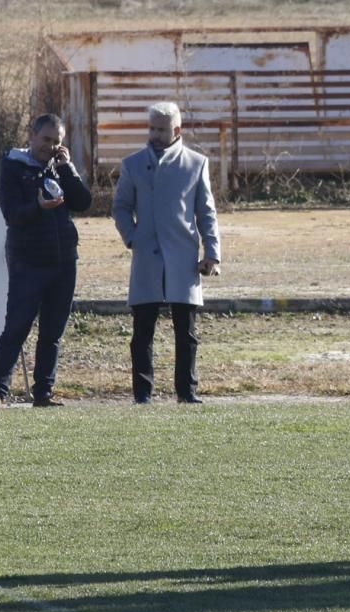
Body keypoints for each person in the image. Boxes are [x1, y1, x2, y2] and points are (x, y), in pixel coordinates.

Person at [112, 102, 222, 404]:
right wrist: (132, 237)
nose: (155, 134)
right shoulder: (132, 164)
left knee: (186, 334)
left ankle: (187, 392)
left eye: (161, 129)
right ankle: (142, 394)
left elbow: (206, 212)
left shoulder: (196, 163)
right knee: (142, 332)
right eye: (152, 128)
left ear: (176, 130)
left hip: (183, 257)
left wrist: (212, 251)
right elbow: (120, 206)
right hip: (146, 257)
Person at [0, 113, 92, 409]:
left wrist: (67, 167)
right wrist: (39, 207)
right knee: (17, 327)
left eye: (57, 142)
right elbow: (12, 215)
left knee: (52, 332)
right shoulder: (14, 167)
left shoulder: (60, 168)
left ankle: (44, 392)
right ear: (32, 136)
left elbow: (83, 202)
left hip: (63, 260)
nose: (50, 147)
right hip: (28, 261)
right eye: (46, 140)